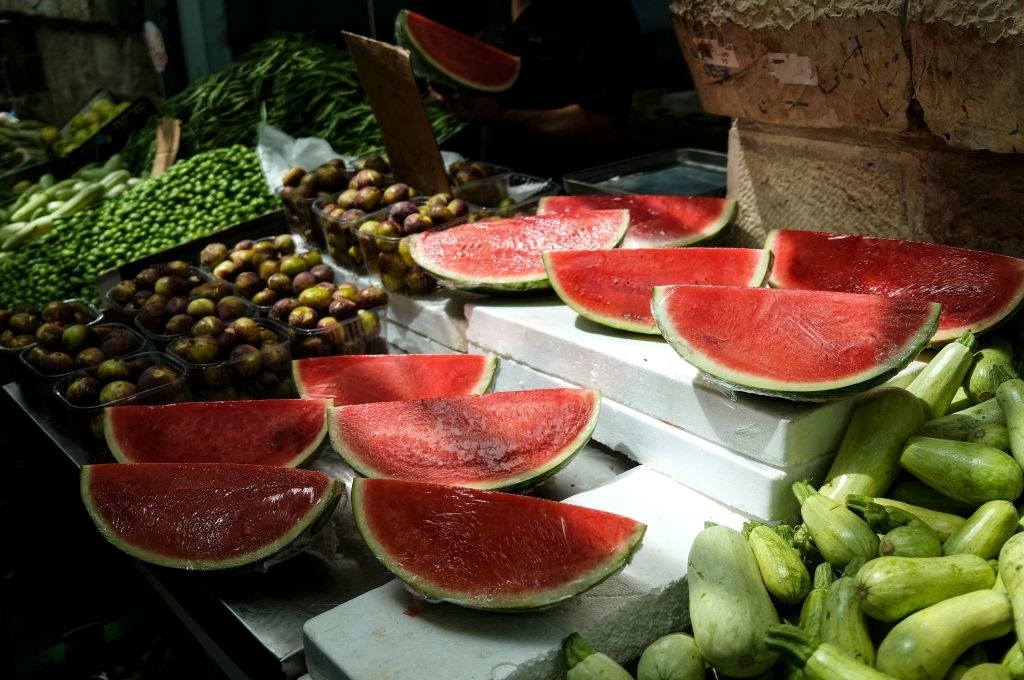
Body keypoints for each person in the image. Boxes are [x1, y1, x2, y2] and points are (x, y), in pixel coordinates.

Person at [425, 0, 642, 181]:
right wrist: (446, 82)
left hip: (572, 188)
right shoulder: (495, 5)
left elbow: (601, 127)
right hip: (500, 186)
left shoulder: (605, 12)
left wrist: (501, 114)